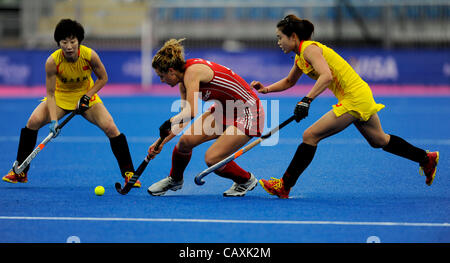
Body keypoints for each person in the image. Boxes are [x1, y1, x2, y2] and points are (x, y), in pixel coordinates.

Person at [253, 14, 439, 199]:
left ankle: (284, 186)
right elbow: (288, 81)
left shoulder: (309, 49)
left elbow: (326, 76)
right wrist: (266, 89)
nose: (278, 42)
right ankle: (426, 158)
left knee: (310, 135)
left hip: (354, 98)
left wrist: (306, 100)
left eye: (280, 37)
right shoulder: (300, 57)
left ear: (293, 37)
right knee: (379, 140)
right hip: (359, 95)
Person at [3, 19, 139, 187]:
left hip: (86, 97)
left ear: (79, 42)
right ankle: (20, 171)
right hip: (60, 97)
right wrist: (53, 120)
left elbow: (103, 78)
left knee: (111, 127)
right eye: (64, 42)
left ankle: (129, 173)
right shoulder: (52, 62)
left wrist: (87, 96)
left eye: (72, 41)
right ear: (58, 43)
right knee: (33, 122)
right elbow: (51, 94)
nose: (68, 46)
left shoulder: (90, 56)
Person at [146, 38, 264, 197]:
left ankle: (245, 180)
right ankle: (175, 179)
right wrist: (160, 143)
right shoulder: (183, 83)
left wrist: (169, 122)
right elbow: (185, 117)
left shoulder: (192, 73)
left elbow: (193, 111)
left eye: (162, 76)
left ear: (171, 71)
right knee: (184, 143)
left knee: (212, 159)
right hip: (224, 110)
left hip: (248, 112)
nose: (161, 80)